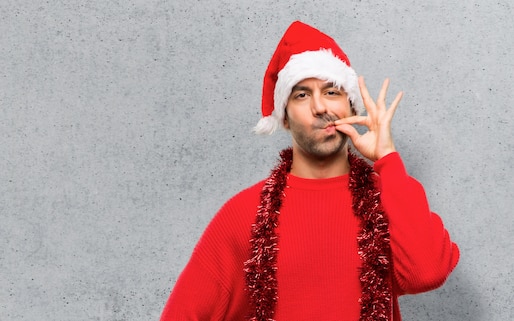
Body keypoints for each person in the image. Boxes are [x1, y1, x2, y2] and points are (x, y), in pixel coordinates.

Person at [160, 21, 460, 321]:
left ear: (351, 107)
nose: (319, 107)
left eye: (332, 92)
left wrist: (388, 158)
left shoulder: (386, 199)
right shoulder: (243, 215)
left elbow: (427, 273)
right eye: (302, 95)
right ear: (285, 117)